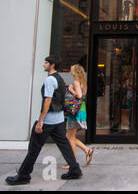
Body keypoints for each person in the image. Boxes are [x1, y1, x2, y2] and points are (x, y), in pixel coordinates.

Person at [5, 56, 82, 185]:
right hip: (58, 119)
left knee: (34, 147)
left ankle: (24, 175)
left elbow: (47, 100)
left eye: (46, 63)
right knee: (64, 144)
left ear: (52, 65)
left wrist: (41, 120)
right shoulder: (60, 79)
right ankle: (75, 169)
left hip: (48, 120)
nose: (44, 65)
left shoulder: (50, 80)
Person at [61, 64, 94, 170]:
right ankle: (87, 151)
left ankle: (72, 162)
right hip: (81, 110)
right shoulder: (83, 82)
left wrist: (71, 90)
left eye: (71, 69)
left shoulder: (76, 82)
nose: (70, 71)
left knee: (70, 137)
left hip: (75, 111)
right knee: (70, 136)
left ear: (74, 71)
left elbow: (79, 95)